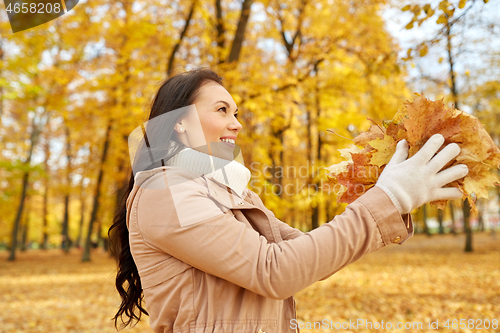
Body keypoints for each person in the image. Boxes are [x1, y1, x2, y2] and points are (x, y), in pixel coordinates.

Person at [108, 67, 469, 333]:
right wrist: (389, 198)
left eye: (235, 113)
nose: (237, 124)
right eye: (221, 110)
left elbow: (304, 253)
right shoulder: (166, 193)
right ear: (179, 123)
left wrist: (389, 191)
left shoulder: (226, 190)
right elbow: (275, 271)